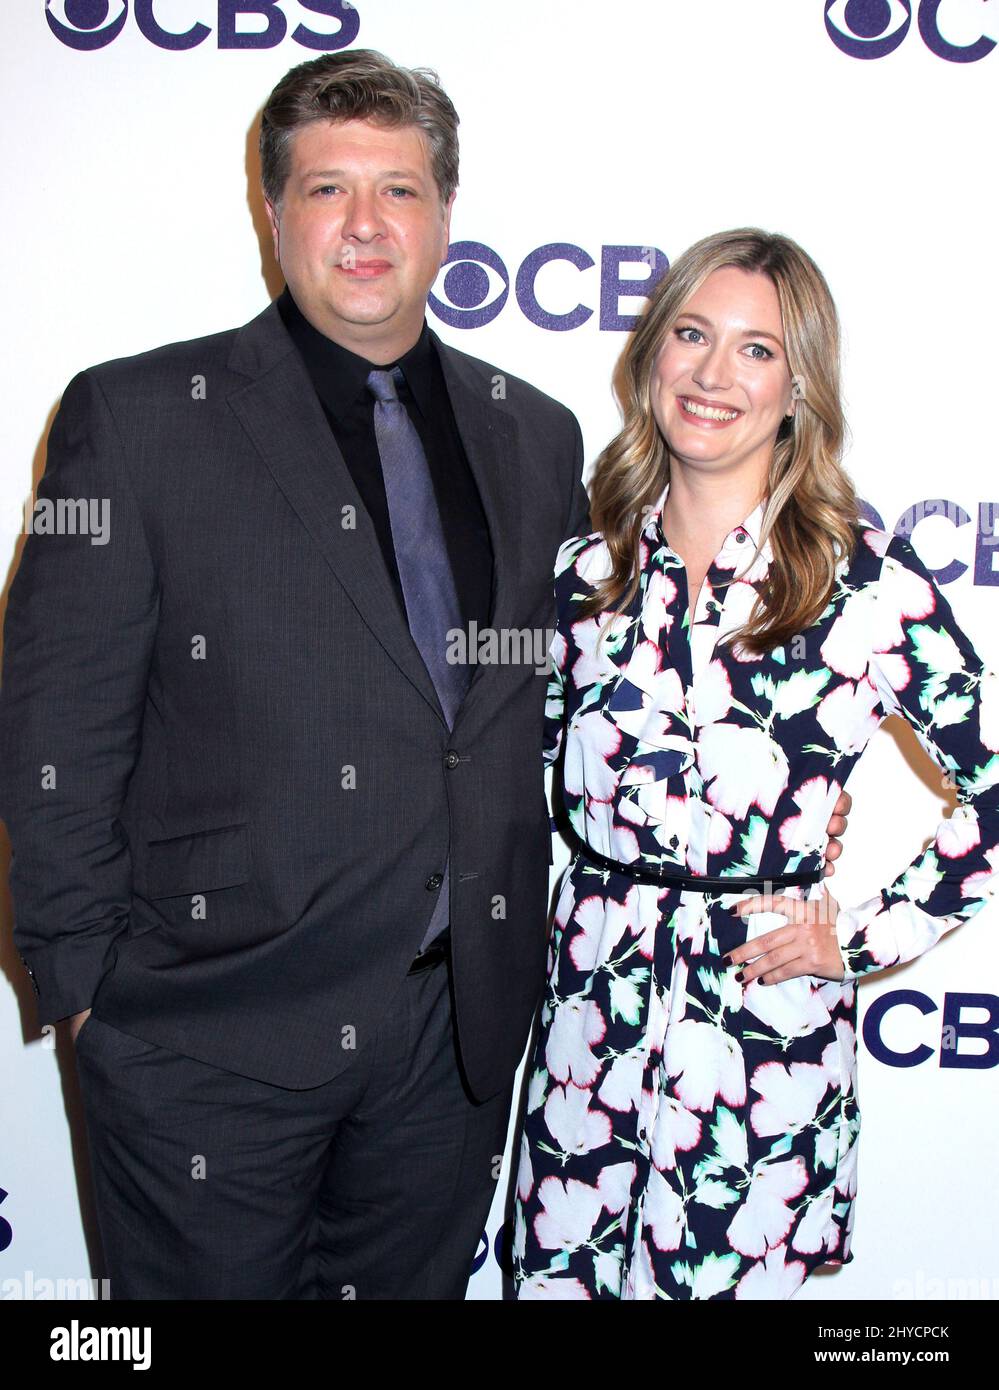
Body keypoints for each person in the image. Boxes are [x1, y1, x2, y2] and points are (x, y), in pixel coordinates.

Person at [0, 48, 594, 1301]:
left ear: (446, 218)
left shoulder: (535, 431)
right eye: (328, 190)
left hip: (452, 1042)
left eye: (401, 190)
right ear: (273, 213)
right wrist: (90, 996)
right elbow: (58, 715)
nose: (367, 226)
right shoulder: (141, 414)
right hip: (208, 1034)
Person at [512, 228, 999, 1301]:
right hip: (587, 1040)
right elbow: (511, 785)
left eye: (756, 350)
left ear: (800, 390)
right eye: (691, 334)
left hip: (756, 1055)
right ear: (651, 355)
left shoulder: (865, 588)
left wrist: (863, 937)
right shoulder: (578, 578)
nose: (712, 373)